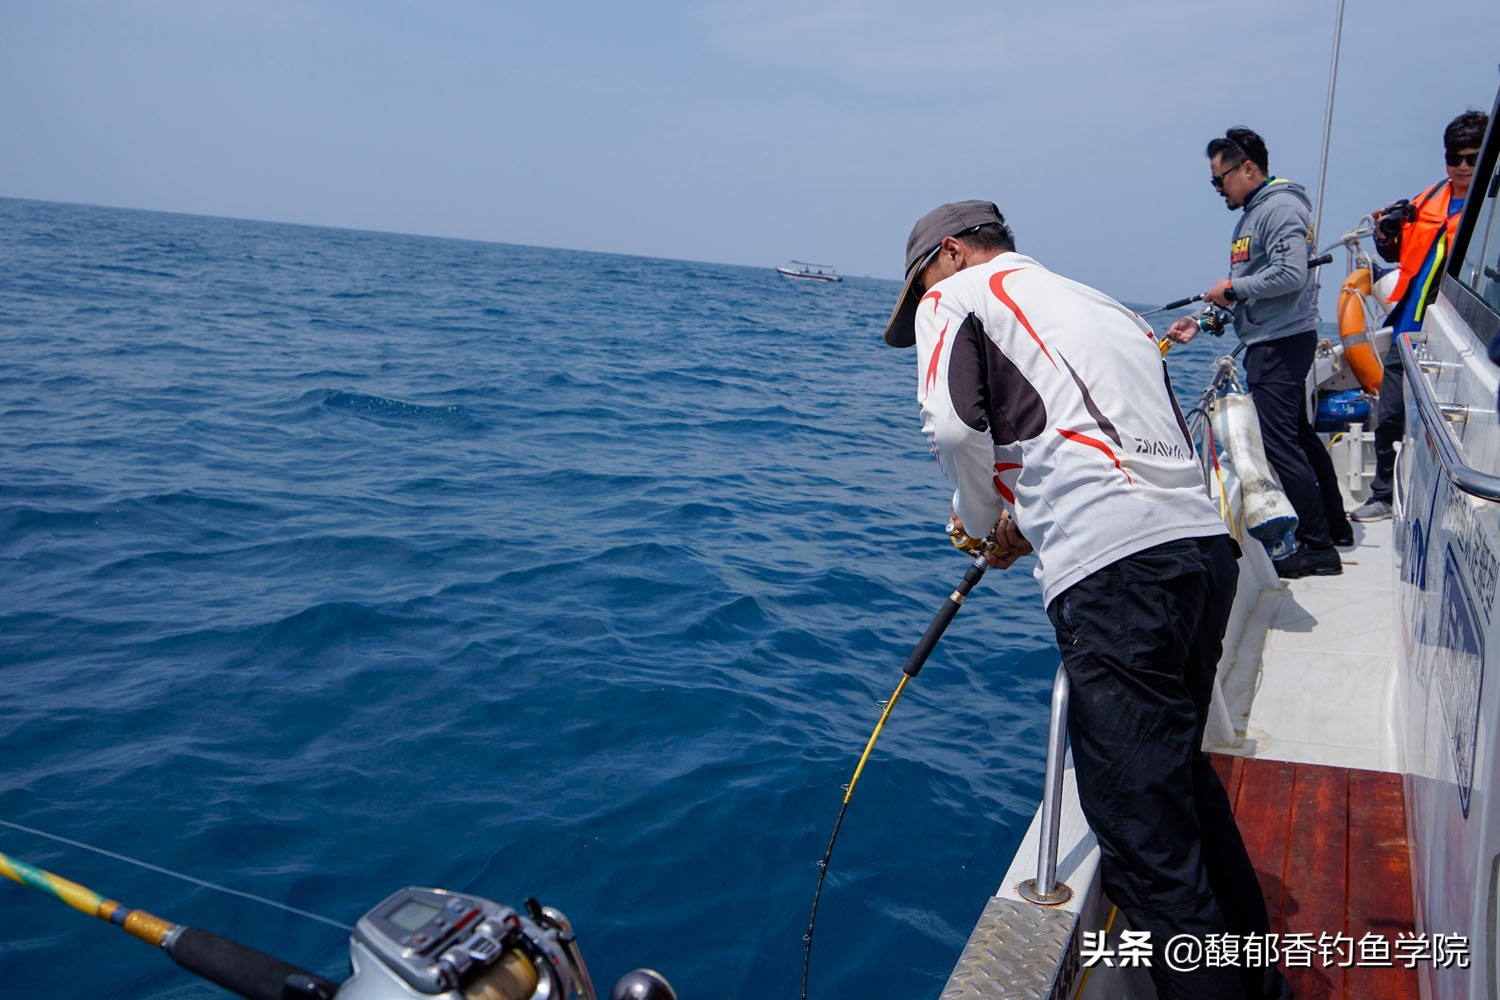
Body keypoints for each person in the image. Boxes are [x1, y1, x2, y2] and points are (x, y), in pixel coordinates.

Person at [883, 200, 1291, 1000]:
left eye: (921, 280)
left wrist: (977, 526)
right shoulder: (1103, 304)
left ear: (952, 254)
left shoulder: (955, 297)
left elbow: (955, 430)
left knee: (1148, 848)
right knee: (1185, 783)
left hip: (1116, 577)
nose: (920, 300)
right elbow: (1119, 437)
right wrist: (1029, 519)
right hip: (1203, 550)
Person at [1166, 127, 1353, 579]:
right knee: (1300, 436)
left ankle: (1317, 550)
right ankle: (1335, 527)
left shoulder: (1281, 209)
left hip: (1281, 343)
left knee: (1278, 442)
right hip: (1271, 340)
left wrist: (1229, 288)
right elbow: (1256, 289)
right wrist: (1206, 318)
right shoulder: (1254, 214)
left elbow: (1290, 276)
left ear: (1247, 168)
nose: (1217, 189)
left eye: (1220, 179)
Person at [1349, 110, 1489, 523]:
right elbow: (1396, 255)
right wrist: (1383, 236)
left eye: (1472, 158)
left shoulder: (1490, 205)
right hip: (1409, 327)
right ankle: (1383, 495)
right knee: (1389, 414)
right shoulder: (1427, 200)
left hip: (1460, 333)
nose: (1462, 167)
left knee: (1451, 428)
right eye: (1455, 158)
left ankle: (1455, 504)